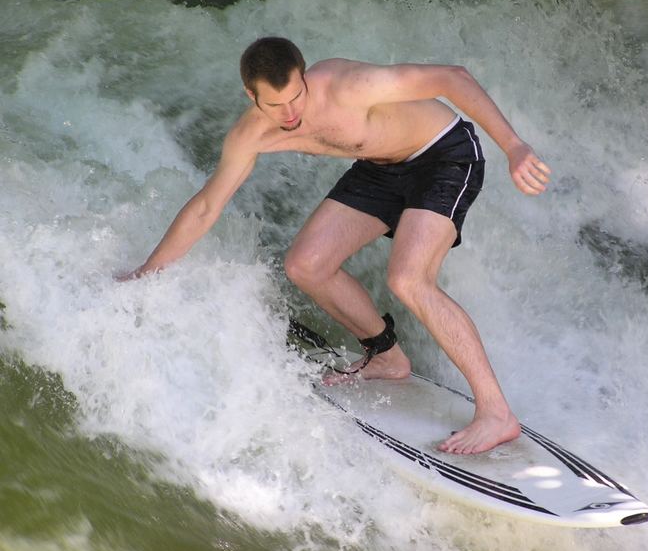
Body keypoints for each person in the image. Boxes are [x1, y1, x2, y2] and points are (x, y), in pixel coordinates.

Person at [121, 37, 551, 454]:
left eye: (296, 96)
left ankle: (496, 413)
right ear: (250, 95)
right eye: (275, 104)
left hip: (442, 155)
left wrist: (514, 147)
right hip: (381, 169)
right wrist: (147, 273)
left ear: (305, 76)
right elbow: (205, 208)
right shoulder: (249, 135)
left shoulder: (347, 86)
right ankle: (386, 357)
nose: (290, 113)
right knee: (305, 265)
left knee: (408, 279)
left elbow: (451, 78)